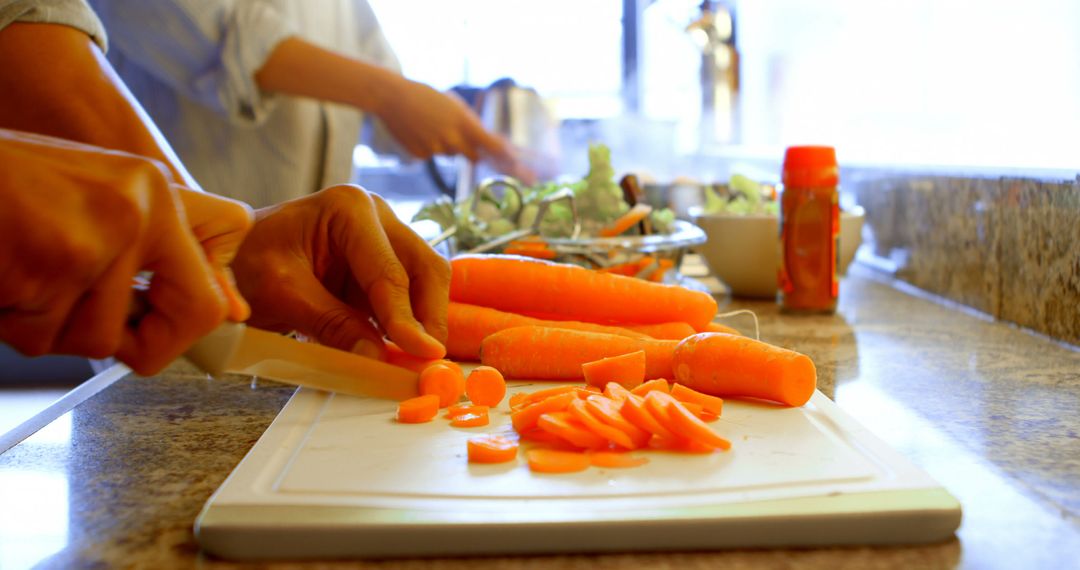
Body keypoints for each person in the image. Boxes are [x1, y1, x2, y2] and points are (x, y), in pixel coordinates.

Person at [0, 1, 450, 374]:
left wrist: (237, 247)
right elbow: (235, 41)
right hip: (158, 302)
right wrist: (192, 250)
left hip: (242, 282)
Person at [85, 0, 533, 207]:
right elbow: (226, 39)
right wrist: (393, 95)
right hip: (185, 255)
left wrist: (439, 115)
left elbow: (377, 90)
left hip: (317, 270)